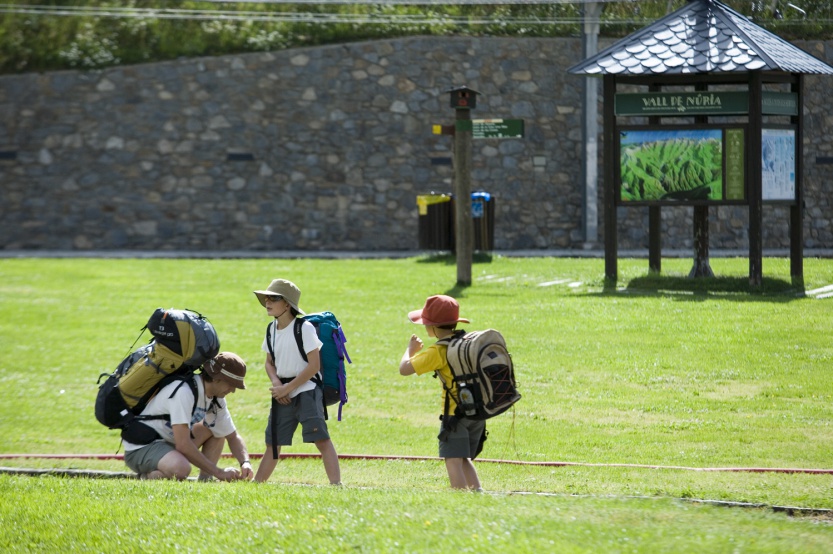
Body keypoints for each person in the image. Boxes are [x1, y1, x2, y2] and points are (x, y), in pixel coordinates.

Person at [252, 278, 341, 485]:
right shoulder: (271, 329)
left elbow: (313, 366)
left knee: (321, 440)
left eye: (274, 298)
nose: (267, 301)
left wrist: (288, 388)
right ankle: (257, 484)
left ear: (287, 304)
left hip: (307, 390)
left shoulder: (305, 328)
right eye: (266, 298)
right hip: (282, 390)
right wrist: (277, 385)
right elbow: (268, 363)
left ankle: (337, 485)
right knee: (273, 443)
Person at [122, 352, 254, 481]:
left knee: (217, 431)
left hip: (168, 443)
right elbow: (183, 444)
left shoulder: (216, 398)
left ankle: (205, 480)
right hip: (142, 447)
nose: (233, 390)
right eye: (231, 384)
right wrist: (219, 472)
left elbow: (232, 436)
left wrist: (245, 462)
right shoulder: (184, 392)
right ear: (215, 378)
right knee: (181, 469)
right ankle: (146, 477)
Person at [399, 294, 485, 491]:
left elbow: (404, 369)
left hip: (454, 414)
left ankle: (460, 498)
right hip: (477, 412)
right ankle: (478, 496)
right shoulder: (466, 343)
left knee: (452, 460)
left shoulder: (438, 351)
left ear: (432, 327)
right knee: (463, 459)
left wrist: (410, 351)